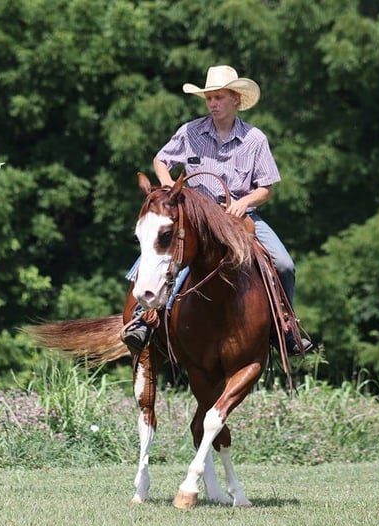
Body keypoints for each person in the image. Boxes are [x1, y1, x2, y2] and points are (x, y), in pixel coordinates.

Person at [123, 65, 312, 355]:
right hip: (196, 217)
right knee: (156, 250)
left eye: (219, 97)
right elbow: (161, 160)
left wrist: (244, 202)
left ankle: (284, 325)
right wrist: (168, 185)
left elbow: (267, 188)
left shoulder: (254, 139)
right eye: (209, 98)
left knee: (285, 264)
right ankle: (141, 316)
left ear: (236, 100)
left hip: (238, 216)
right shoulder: (190, 132)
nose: (213, 103)